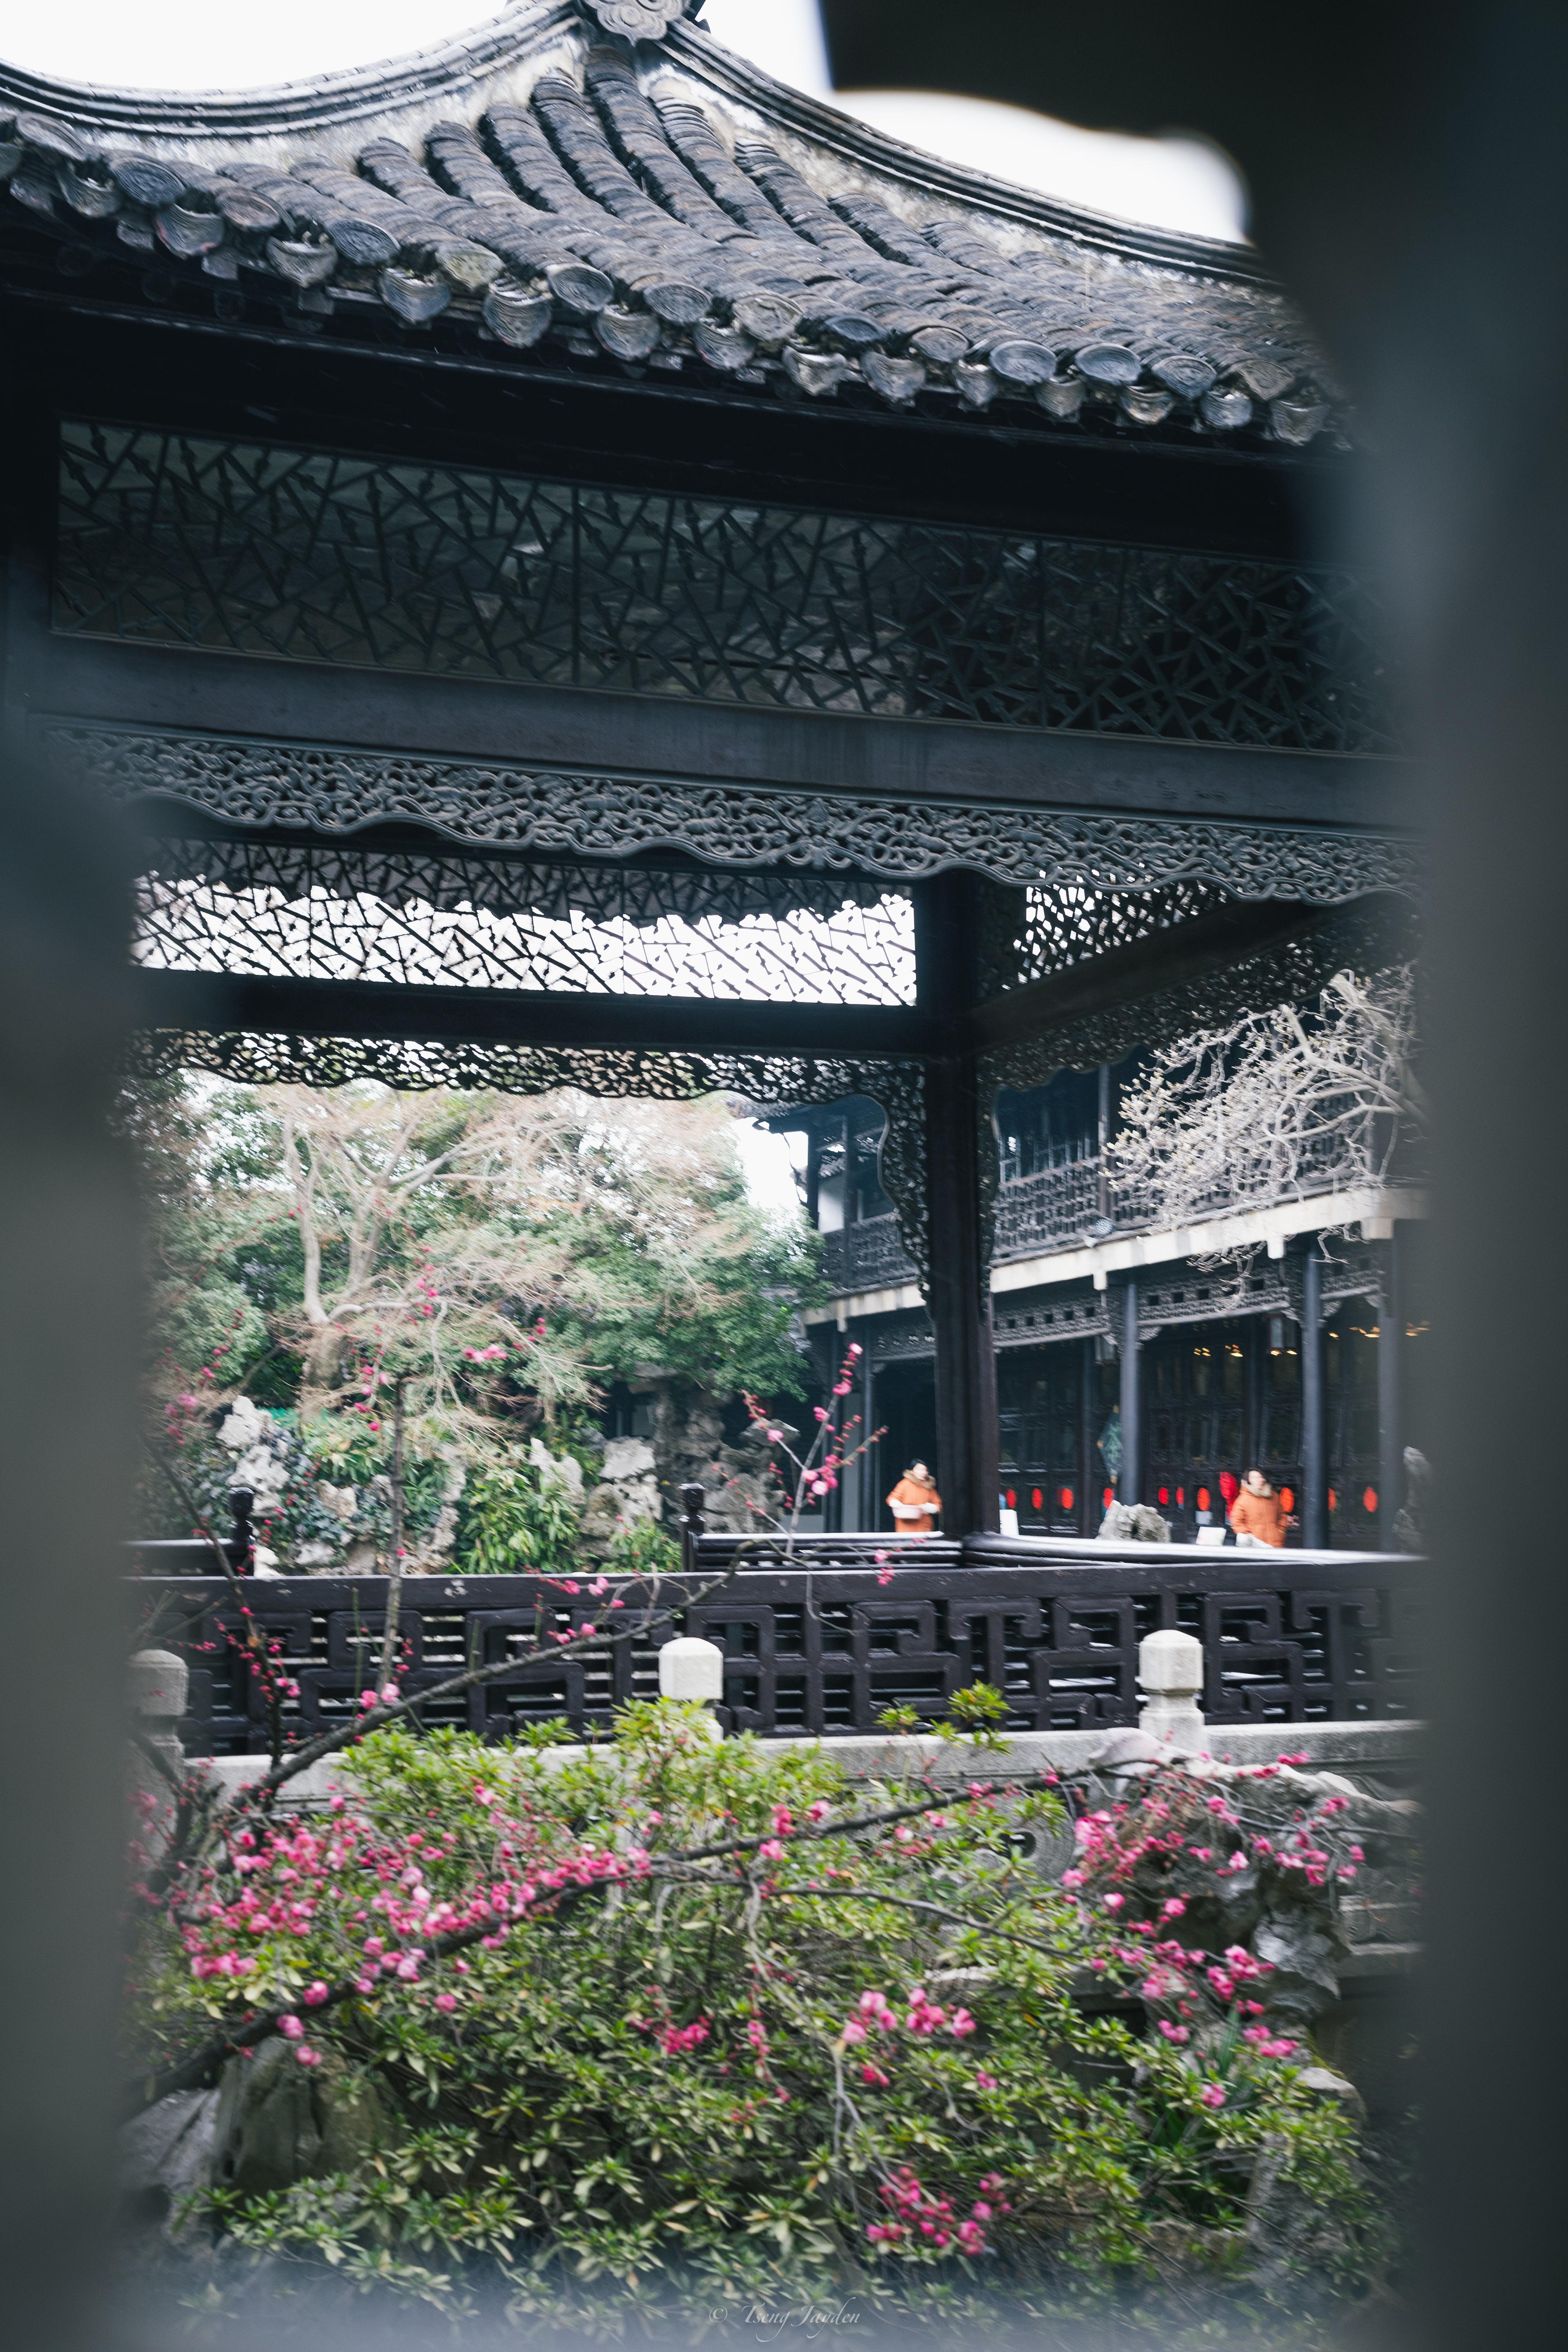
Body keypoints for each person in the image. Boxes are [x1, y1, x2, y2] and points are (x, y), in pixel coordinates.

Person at [1228, 1468, 1287, 1548]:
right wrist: (1249, 1538)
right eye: (1254, 1478)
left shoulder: (1274, 1496)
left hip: (1276, 1544)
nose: (1259, 1480)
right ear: (1248, 1480)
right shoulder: (1243, 1500)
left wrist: (1281, 1531)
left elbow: (1282, 1515)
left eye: (1261, 1477)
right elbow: (1237, 1523)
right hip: (1256, 1546)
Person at [886, 1460, 941, 1537]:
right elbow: (892, 1498)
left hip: (924, 1529)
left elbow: (938, 1505)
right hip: (905, 1529)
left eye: (925, 1470)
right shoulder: (905, 1484)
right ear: (912, 1471)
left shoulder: (930, 1488)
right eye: (919, 1469)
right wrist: (897, 1504)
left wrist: (930, 1508)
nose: (923, 1472)